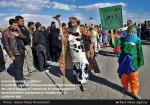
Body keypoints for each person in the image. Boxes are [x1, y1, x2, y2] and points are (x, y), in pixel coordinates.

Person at [117, 25, 144, 100]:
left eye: (133, 31)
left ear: (135, 31)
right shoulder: (123, 39)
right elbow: (115, 45)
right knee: (124, 78)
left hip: (134, 63)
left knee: (134, 78)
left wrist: (140, 62)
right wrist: (114, 37)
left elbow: (140, 52)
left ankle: (134, 93)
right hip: (124, 62)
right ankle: (125, 88)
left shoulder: (137, 40)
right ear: (127, 31)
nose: (131, 32)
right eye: (129, 31)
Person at [2, 19, 27, 87]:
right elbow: (6, 45)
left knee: (21, 66)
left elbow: (25, 38)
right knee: (18, 67)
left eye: (17, 25)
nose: (16, 26)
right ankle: (20, 83)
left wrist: (18, 35)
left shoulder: (17, 30)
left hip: (22, 51)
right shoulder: (5, 32)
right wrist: (11, 55)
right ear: (10, 25)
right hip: (16, 53)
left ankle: (21, 78)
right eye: (14, 25)